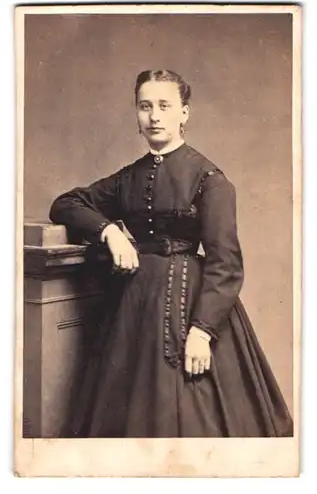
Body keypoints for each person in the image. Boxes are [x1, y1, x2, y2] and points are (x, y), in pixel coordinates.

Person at [49, 69, 293, 438]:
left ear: (184, 113)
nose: (154, 116)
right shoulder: (128, 177)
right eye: (145, 106)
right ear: (136, 114)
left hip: (190, 305)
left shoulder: (210, 180)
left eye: (165, 105)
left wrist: (202, 332)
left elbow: (225, 264)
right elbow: (66, 204)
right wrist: (109, 231)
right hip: (132, 308)